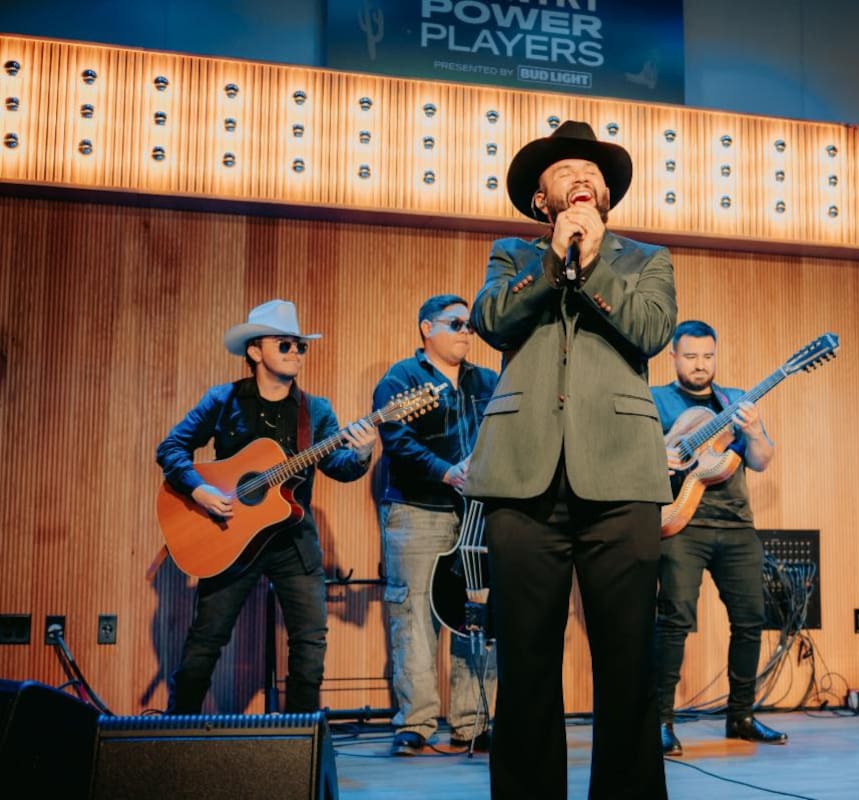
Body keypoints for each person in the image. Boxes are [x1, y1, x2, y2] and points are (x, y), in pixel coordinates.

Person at [464, 121, 676, 800]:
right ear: (539, 202)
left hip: (620, 477)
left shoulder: (646, 259)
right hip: (521, 479)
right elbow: (491, 321)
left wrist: (592, 261)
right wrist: (555, 263)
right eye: (564, 173)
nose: (581, 178)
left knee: (628, 664)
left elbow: (649, 329)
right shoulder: (512, 256)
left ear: (608, 195)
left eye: (593, 172)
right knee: (525, 663)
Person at [156, 299, 376, 714]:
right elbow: (171, 449)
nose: (295, 353)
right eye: (285, 345)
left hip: (293, 542)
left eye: (300, 346)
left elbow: (339, 467)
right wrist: (200, 490)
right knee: (205, 643)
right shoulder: (223, 400)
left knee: (310, 647)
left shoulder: (316, 411)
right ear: (255, 351)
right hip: (229, 536)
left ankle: (301, 745)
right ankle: (175, 736)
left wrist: (363, 453)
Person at [651, 320, 789, 755]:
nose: (700, 365)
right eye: (690, 356)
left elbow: (763, 460)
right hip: (679, 523)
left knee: (750, 621)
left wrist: (752, 430)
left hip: (736, 526)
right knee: (674, 622)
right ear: (673, 356)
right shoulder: (655, 401)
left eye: (708, 356)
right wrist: (663, 457)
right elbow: (630, 455)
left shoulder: (735, 401)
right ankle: (661, 722)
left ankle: (742, 716)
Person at [372, 293, 499, 755]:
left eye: (471, 325)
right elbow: (397, 441)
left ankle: (473, 722)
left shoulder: (489, 381)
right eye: (456, 323)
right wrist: (446, 471)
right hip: (417, 509)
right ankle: (417, 723)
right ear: (427, 328)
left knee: (476, 616)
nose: (467, 331)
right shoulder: (400, 380)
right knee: (414, 616)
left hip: (477, 515)